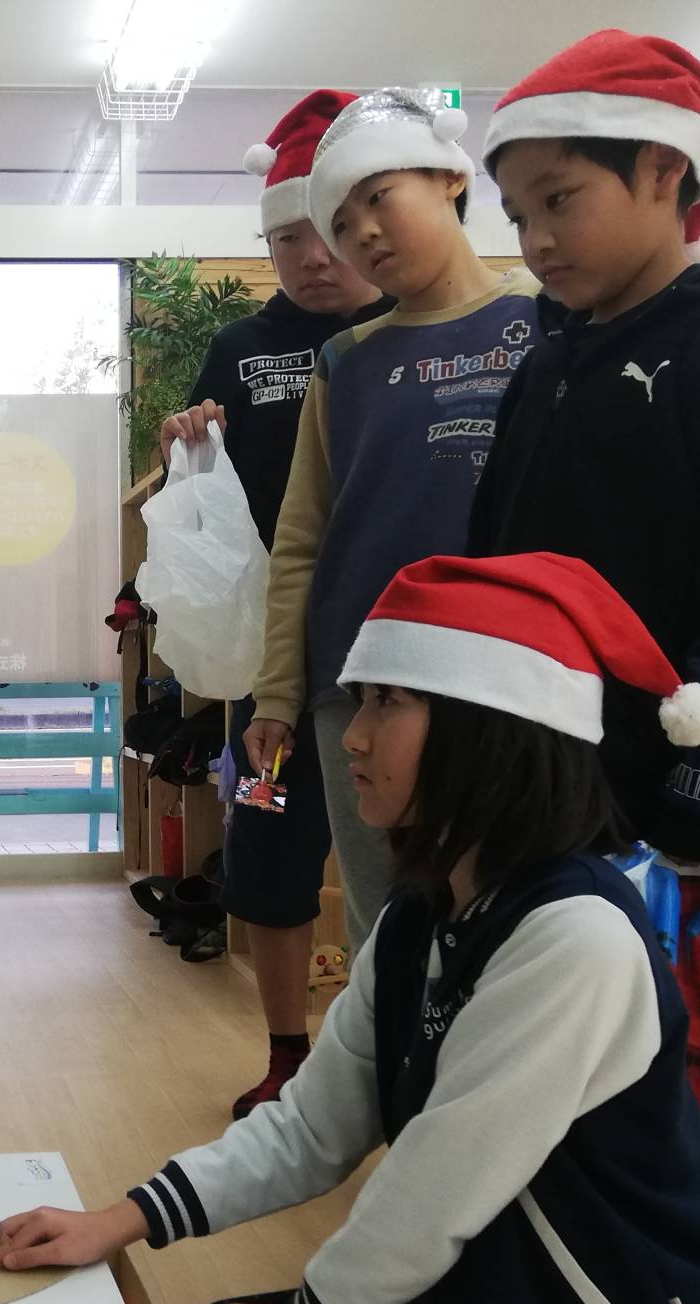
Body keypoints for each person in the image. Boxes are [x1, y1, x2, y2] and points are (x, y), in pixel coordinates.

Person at [0, 553, 700, 1304]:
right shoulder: (418, 920)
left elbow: (436, 1186)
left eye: (386, 703)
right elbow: (311, 1127)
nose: (352, 736)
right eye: (358, 701)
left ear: (491, 727)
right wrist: (123, 1218)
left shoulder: (572, 937)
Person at [472, 31, 700, 1169]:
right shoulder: (551, 351)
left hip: (654, 788)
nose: (534, 240)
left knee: (656, 1103)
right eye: (516, 215)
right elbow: (495, 553)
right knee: (523, 1074)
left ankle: (669, 1280)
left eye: (559, 200)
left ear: (663, 171)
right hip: (526, 766)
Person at [243, 88, 540, 960]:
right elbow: (302, 542)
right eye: (340, 223)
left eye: (378, 197)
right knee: (388, 924)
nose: (363, 232)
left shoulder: (546, 320)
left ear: (451, 177)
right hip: (361, 678)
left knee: (513, 911)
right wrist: (277, 694)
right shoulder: (346, 360)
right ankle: (389, 1054)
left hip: (508, 672)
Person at [158, 89, 391, 1119]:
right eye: (284, 238)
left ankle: (393, 1055)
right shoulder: (241, 347)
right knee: (267, 848)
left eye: (323, 233)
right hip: (274, 660)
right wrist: (185, 439)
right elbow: (205, 482)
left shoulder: (409, 335)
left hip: (393, 648)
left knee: (404, 858)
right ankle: (289, 1055)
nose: (308, 257)